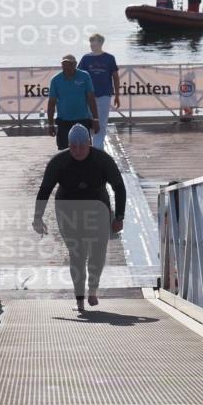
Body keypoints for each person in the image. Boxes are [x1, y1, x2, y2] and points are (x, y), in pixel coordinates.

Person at [33, 124, 126, 312]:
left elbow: (119, 188)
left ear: (89, 143)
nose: (77, 151)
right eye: (73, 146)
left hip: (97, 205)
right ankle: (79, 298)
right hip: (68, 207)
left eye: (81, 146)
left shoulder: (102, 160)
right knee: (77, 253)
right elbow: (45, 189)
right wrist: (37, 217)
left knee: (98, 250)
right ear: (68, 145)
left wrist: (119, 217)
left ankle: (92, 290)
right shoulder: (59, 162)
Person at [47, 54, 100, 150]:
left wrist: (96, 119)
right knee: (63, 151)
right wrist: (50, 124)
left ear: (75, 64)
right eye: (64, 64)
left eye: (70, 64)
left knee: (85, 149)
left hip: (82, 120)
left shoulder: (85, 76)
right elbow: (51, 103)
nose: (67, 67)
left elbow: (91, 99)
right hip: (64, 121)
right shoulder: (55, 80)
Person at [77, 33, 120, 150]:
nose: (92, 45)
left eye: (94, 42)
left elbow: (115, 77)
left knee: (102, 122)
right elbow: (79, 76)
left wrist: (117, 95)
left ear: (100, 43)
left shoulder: (109, 58)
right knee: (90, 121)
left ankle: (98, 148)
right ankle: (91, 146)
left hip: (104, 94)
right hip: (89, 96)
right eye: (90, 42)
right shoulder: (86, 58)